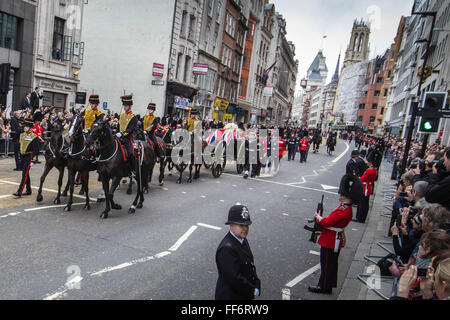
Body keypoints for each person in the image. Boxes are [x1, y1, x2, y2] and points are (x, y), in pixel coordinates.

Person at [308, 174, 363, 294]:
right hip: (333, 236)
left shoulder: (342, 210)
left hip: (331, 240)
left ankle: (324, 287)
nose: (340, 196)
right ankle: (327, 284)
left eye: (342, 194)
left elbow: (327, 222)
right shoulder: (345, 208)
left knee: (327, 264)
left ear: (346, 196)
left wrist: (318, 217)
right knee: (331, 264)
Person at [215, 204, 261, 300]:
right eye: (241, 225)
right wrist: (252, 289)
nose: (245, 228)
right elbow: (234, 279)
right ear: (231, 224)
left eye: (247, 225)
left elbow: (250, 265)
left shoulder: (242, 239)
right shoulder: (226, 249)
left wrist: (256, 282)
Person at [13, 119, 40, 198]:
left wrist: (33, 160)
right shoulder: (22, 135)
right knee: (26, 173)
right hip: (22, 156)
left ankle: (19, 191)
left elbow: (36, 150)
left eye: (26, 126)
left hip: (29, 156)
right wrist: (19, 157)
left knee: (24, 174)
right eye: (24, 126)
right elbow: (20, 146)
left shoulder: (34, 137)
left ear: (30, 128)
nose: (24, 127)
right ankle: (28, 190)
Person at [356, 155, 377, 223]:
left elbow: (363, 178)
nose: (366, 163)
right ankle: (362, 217)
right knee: (365, 203)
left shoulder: (369, 170)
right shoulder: (374, 170)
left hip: (365, 187)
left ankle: (360, 217)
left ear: (370, 163)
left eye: (368, 162)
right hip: (369, 186)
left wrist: (358, 178)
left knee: (362, 203)